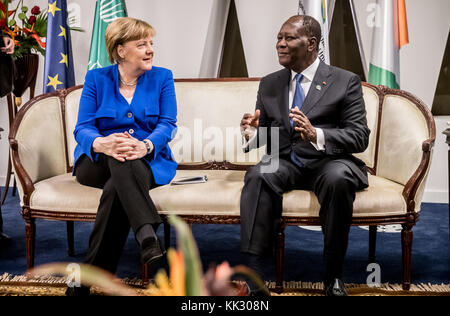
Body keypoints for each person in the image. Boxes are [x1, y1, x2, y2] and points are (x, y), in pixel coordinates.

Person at [239, 15, 370, 296]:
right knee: (258, 175)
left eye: (288, 38)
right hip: (286, 161)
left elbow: (360, 136)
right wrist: (251, 133)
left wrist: (317, 134)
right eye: (279, 38)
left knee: (338, 179)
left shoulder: (344, 81)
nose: (280, 44)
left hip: (329, 161)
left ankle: (333, 276)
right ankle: (255, 277)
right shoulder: (270, 83)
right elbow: (269, 132)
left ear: (311, 44)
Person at [68, 17, 177, 295]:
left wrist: (146, 146)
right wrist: (102, 143)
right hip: (96, 162)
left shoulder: (163, 77)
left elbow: (167, 124)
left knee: (119, 179)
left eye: (151, 43)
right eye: (141, 44)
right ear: (120, 50)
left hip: (147, 160)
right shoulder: (96, 79)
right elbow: (82, 128)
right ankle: (147, 235)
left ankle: (84, 279)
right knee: (119, 155)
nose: (150, 49)